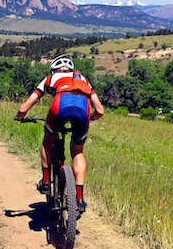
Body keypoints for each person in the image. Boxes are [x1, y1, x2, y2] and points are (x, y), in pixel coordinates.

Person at [14, 55, 105, 214]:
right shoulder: (83, 79)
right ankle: (79, 198)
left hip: (59, 107)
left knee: (48, 140)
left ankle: (46, 181)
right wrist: (89, 118)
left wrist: (21, 116)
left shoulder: (51, 78)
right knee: (77, 151)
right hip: (83, 112)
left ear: (54, 69)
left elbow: (24, 107)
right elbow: (100, 111)